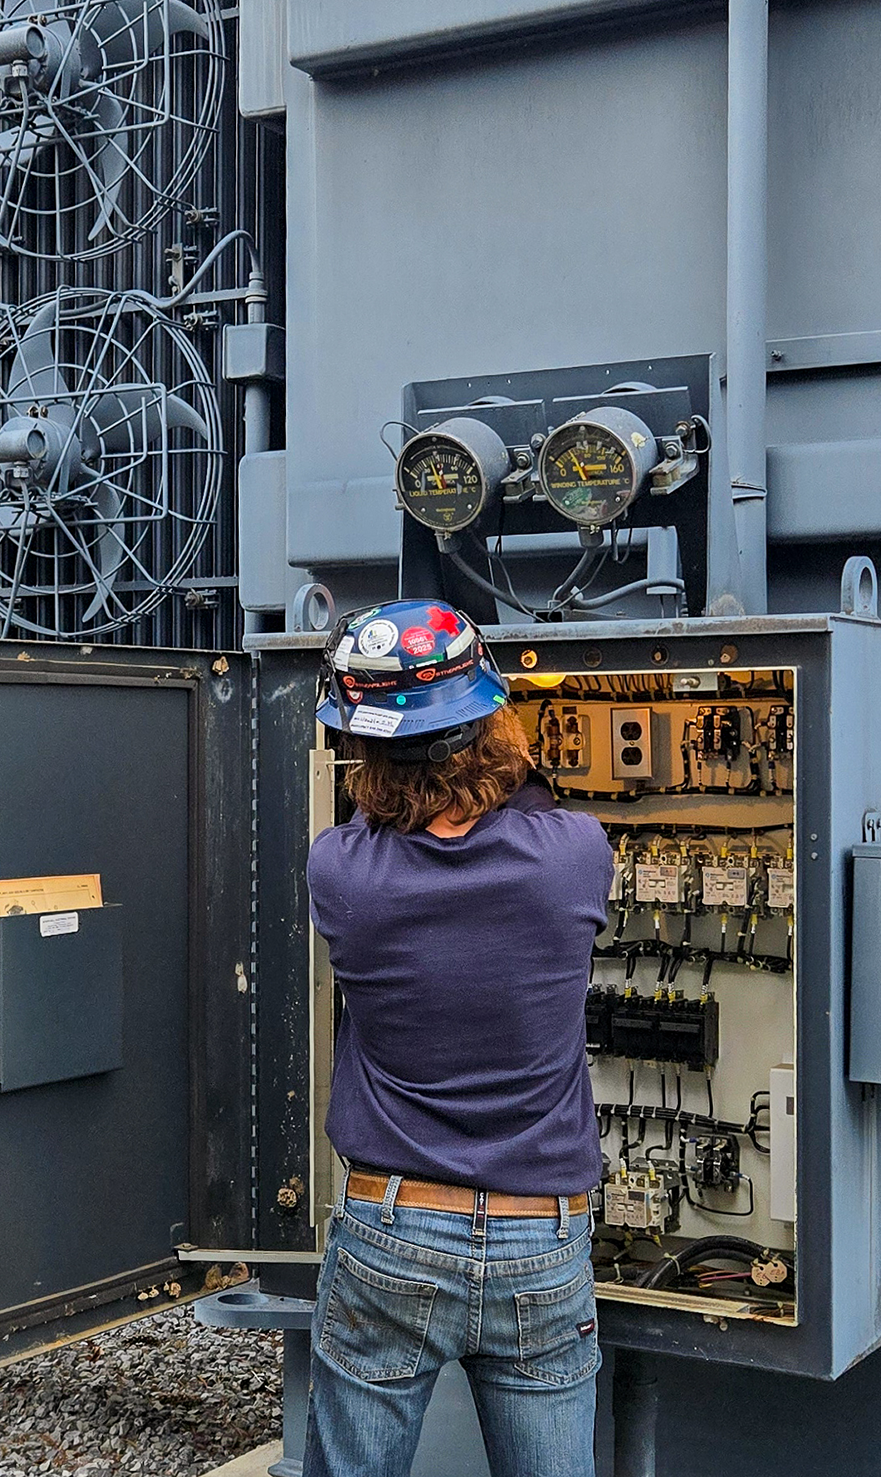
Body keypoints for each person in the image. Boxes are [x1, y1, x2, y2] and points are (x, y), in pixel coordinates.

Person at [304, 598, 614, 1477]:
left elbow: (383, 823)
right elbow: (529, 803)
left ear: (365, 749)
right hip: (540, 1237)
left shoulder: (341, 870)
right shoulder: (575, 854)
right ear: (487, 724)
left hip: (391, 1227)